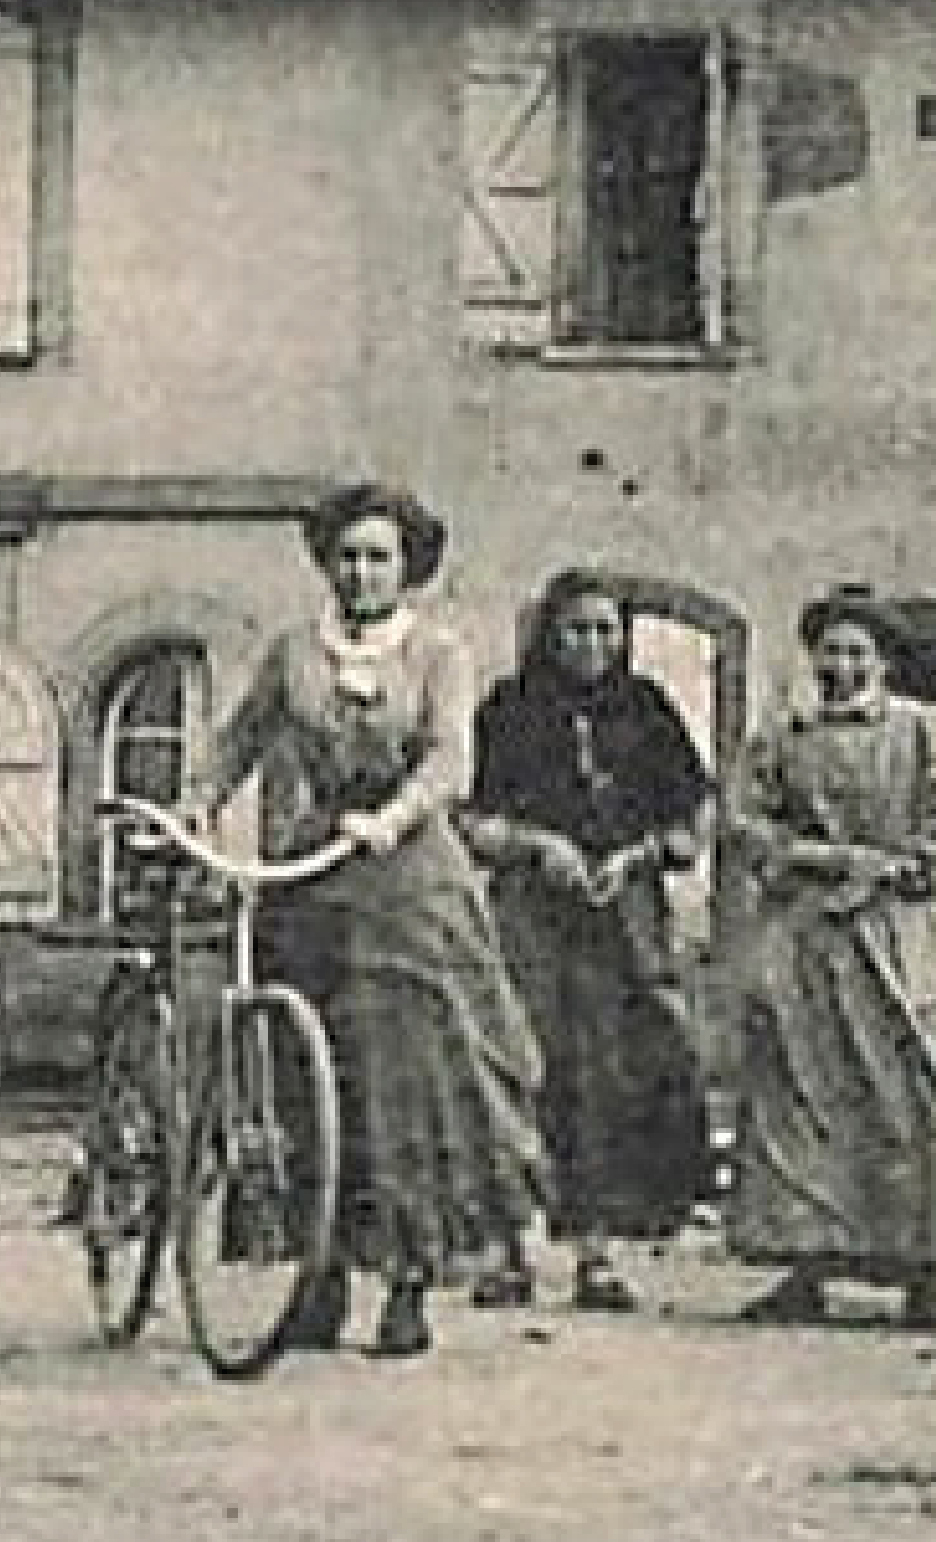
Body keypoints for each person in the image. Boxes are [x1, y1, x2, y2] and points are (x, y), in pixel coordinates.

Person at [203, 483, 552, 1358]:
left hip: (410, 873)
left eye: (379, 558)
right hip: (317, 868)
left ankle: (409, 1280)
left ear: (407, 568)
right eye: (348, 556)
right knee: (308, 1068)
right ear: (327, 564)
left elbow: (450, 761)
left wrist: (391, 818)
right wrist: (193, 805)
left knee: (412, 1078)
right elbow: (239, 741)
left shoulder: (438, 653)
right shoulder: (294, 653)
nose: (362, 573)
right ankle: (318, 1274)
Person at [707, 586, 936, 1324]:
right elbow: (743, 821)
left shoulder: (924, 730)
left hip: (900, 933)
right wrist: (815, 856)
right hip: (808, 934)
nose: (842, 665)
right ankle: (805, 1266)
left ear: (885, 661)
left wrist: (895, 866)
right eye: (831, 651)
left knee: (913, 1089)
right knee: (803, 1092)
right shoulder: (785, 735)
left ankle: (922, 1271)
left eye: (857, 652)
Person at [466, 568, 717, 1312]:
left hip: (622, 917)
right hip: (529, 914)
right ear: (550, 633)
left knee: (609, 1075)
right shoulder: (509, 710)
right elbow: (470, 817)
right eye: (578, 629)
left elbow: (693, 816)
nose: (593, 645)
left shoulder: (646, 709)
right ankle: (509, 1251)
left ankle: (596, 1254)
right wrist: (538, 846)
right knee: (522, 1063)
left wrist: (638, 856)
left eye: (608, 630)